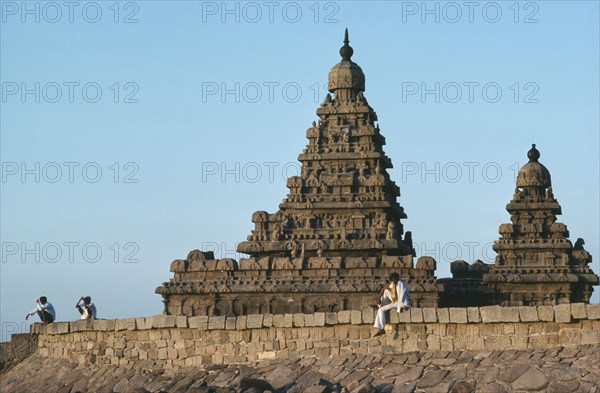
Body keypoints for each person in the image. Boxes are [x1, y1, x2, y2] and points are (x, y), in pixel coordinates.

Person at [373, 273, 411, 337]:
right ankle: (380, 305)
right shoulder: (394, 284)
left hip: (401, 303)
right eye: (392, 280)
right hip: (396, 300)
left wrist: (402, 307)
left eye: (393, 280)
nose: (393, 281)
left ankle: (382, 329)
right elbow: (384, 289)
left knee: (381, 310)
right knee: (386, 291)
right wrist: (379, 299)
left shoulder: (400, 284)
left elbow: (402, 296)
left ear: (396, 279)